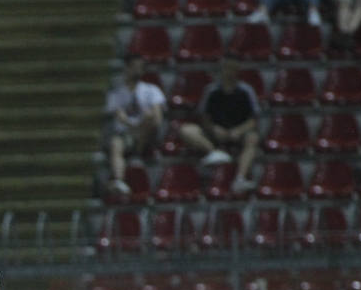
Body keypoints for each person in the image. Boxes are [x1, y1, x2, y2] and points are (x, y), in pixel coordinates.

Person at [178, 59, 261, 195]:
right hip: (215, 132)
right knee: (186, 130)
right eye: (226, 68)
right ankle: (213, 151)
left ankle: (240, 178)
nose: (229, 72)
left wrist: (239, 130)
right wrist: (214, 129)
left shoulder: (246, 90)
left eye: (233, 68)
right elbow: (204, 117)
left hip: (238, 133)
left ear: (237, 71)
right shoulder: (211, 90)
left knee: (253, 138)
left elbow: (254, 119)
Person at [104, 54, 165, 196]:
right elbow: (119, 116)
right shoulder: (116, 93)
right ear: (126, 68)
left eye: (140, 67)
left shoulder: (151, 90)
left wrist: (137, 124)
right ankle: (119, 179)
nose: (137, 70)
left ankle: (138, 152)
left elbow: (157, 118)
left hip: (147, 135)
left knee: (150, 118)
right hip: (127, 135)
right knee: (115, 143)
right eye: (134, 67)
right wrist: (131, 125)